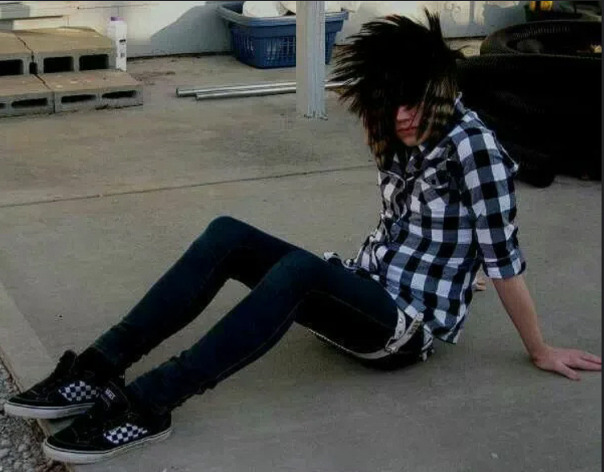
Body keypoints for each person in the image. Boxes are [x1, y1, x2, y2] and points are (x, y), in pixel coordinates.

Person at [4, 11, 600, 465]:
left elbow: (504, 259)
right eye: (389, 104)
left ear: (441, 91)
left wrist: (540, 349)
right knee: (227, 234)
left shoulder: (477, 151)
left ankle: (148, 404)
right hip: (363, 287)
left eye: (414, 102)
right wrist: (453, 269)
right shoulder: (395, 128)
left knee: (300, 271)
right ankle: (96, 368)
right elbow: (411, 223)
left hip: (402, 330)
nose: (401, 117)